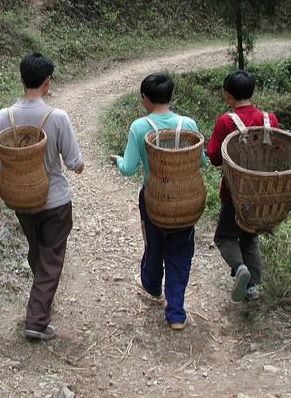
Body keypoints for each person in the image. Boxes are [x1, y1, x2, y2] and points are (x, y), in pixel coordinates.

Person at [0, 52, 84, 341]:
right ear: (47, 81)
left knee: (38, 253)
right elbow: (73, 163)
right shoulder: (57, 117)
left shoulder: (4, 116)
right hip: (54, 201)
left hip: (21, 201)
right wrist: (80, 166)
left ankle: (41, 303)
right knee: (52, 259)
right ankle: (36, 320)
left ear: (21, 79)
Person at [110, 72, 204, 330]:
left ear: (145, 98)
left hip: (153, 199)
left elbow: (129, 169)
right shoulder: (189, 125)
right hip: (185, 200)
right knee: (180, 252)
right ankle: (176, 313)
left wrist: (118, 160)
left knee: (154, 243)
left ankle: (152, 285)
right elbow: (201, 161)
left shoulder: (139, 127)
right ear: (170, 96)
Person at [206, 70, 279, 302]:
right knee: (250, 238)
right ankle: (252, 288)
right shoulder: (270, 119)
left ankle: (240, 269)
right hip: (261, 193)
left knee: (224, 237)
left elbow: (216, 158)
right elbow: (279, 151)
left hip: (233, 193)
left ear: (228, 95)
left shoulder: (226, 122)